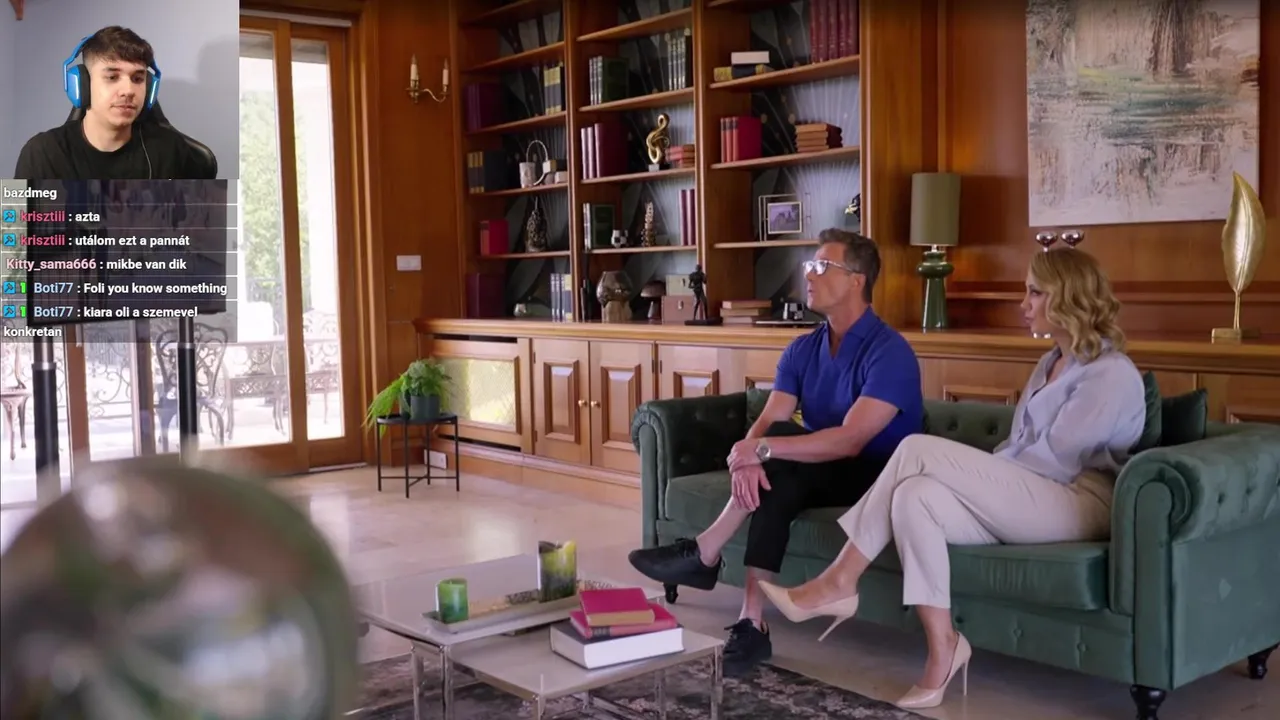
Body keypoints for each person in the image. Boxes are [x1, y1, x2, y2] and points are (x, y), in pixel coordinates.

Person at [758, 247, 1146, 710]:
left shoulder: (1110, 373)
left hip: (1077, 500)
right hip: (1032, 491)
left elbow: (1054, 462)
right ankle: (944, 647)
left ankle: (840, 580)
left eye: (1035, 293)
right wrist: (978, 475)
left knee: (916, 449)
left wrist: (973, 473)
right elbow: (1019, 448)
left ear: (1070, 298)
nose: (1024, 304)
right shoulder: (1051, 362)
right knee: (914, 496)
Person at [628, 229, 924, 673]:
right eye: (809, 265)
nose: (809, 274)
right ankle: (750, 620)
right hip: (820, 469)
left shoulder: (890, 352)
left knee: (778, 455)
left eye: (822, 266)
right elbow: (769, 418)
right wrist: (748, 457)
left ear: (856, 280)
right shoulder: (803, 348)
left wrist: (761, 449)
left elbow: (851, 440)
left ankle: (705, 554)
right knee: (776, 474)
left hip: (878, 475)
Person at [13, 26, 215, 180]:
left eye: (138, 79)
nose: (128, 90)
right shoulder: (42, 153)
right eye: (112, 77)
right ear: (82, 85)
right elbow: (14, 224)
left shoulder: (171, 150)